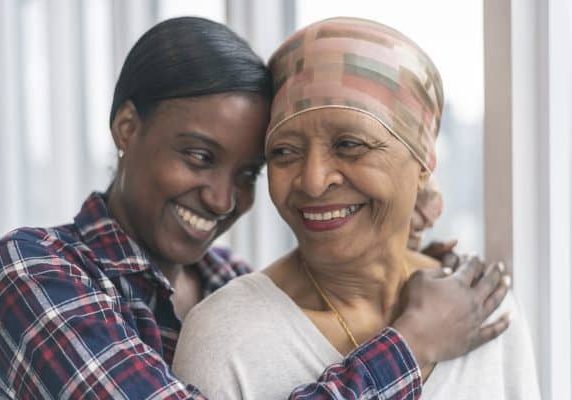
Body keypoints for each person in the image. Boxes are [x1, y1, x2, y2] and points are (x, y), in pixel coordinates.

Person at [0, 17, 509, 400]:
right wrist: (414, 343)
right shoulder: (33, 270)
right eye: (199, 156)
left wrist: (397, 252)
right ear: (127, 128)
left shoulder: (227, 280)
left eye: (249, 173)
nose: (224, 200)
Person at [172, 17, 538, 399]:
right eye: (284, 151)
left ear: (423, 160)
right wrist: (412, 343)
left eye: (349, 144)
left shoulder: (483, 306)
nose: (313, 181)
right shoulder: (227, 340)